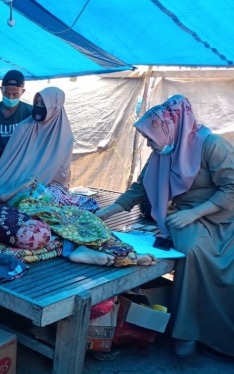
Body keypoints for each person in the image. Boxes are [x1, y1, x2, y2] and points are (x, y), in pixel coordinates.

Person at [96, 95, 234, 360]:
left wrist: (196, 212)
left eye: (151, 137)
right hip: (184, 216)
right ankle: (187, 331)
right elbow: (139, 189)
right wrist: (104, 213)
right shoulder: (163, 151)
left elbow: (231, 187)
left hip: (220, 214)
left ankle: (216, 332)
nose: (149, 143)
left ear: (172, 127)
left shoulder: (212, 145)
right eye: (147, 138)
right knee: (192, 251)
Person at [0, 87, 73, 204]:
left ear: (55, 107)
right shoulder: (24, 127)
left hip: (48, 184)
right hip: (19, 178)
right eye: (36, 103)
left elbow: (59, 172)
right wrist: (23, 182)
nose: (38, 107)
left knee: (42, 196)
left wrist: (32, 182)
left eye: (43, 104)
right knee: (16, 195)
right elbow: (11, 161)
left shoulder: (65, 138)